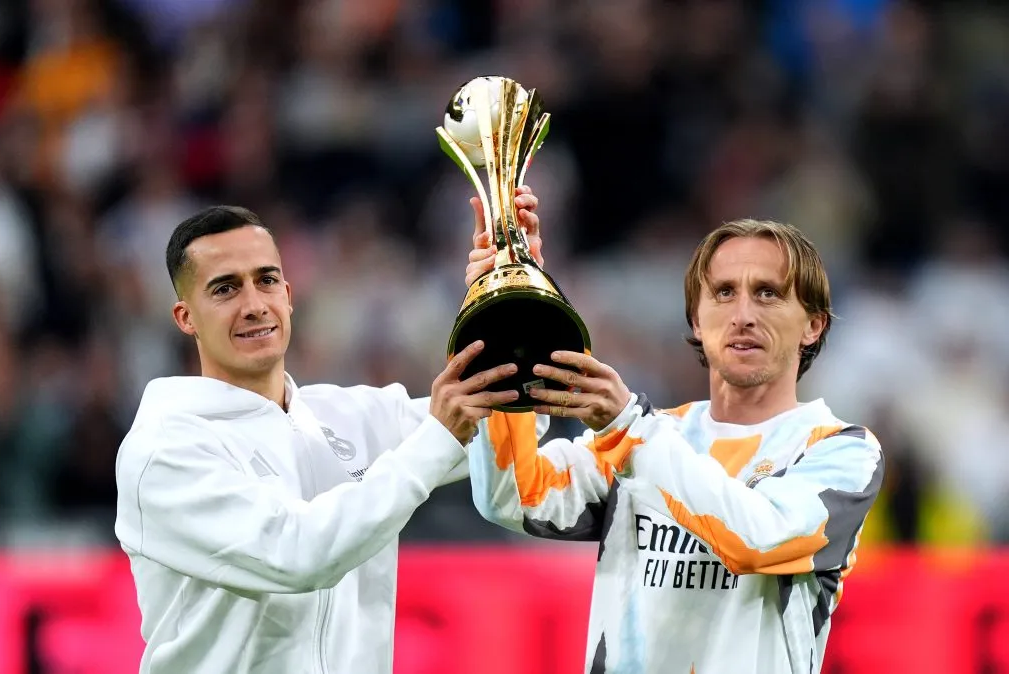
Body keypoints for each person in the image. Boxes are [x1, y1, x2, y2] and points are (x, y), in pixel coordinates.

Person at [114, 193, 542, 674]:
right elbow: (296, 555)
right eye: (225, 289)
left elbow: (512, 408)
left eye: (267, 280)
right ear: (185, 317)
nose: (254, 305)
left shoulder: (351, 414)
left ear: (289, 297)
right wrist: (438, 437)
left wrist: (516, 294)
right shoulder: (163, 451)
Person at [465, 217, 885, 674]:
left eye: (768, 292)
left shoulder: (840, 451)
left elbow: (757, 542)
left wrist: (630, 430)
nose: (743, 315)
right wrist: (507, 312)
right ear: (696, 321)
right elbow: (510, 496)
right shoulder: (648, 435)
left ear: (813, 325)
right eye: (724, 292)